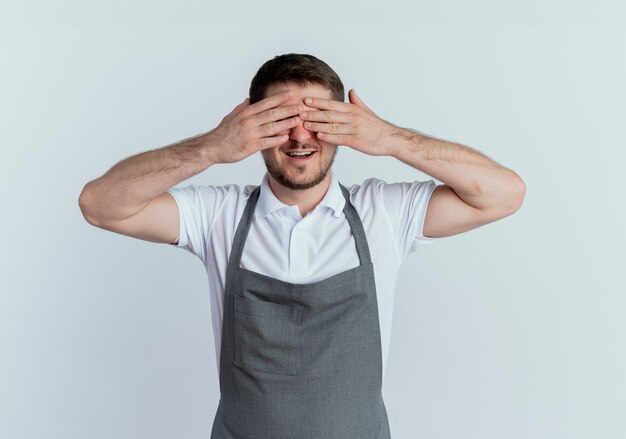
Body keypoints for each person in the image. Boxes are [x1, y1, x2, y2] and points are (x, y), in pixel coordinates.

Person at [79, 53, 525, 438]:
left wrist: (389, 138)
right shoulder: (219, 217)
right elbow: (99, 205)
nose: (299, 137)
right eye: (280, 122)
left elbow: (504, 194)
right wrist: (213, 147)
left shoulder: (383, 214)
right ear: (251, 126)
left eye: (318, 122)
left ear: (344, 126)